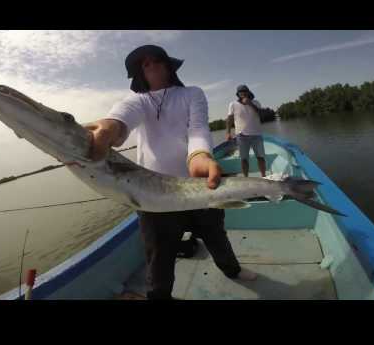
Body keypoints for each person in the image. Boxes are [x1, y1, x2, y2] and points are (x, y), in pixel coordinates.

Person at [85, 45, 257, 300]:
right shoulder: (136, 100)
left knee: (216, 235)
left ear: (168, 65)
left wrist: (200, 156)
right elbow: (120, 120)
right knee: (158, 254)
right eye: (145, 64)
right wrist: (108, 129)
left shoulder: (192, 94)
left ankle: (232, 270)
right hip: (153, 194)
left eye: (157, 60)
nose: (151, 65)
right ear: (139, 73)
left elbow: (198, 130)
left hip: (198, 184)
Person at [226, 85, 267, 177]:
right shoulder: (232, 104)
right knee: (244, 159)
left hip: (257, 135)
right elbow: (229, 119)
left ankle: (264, 176)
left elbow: (262, 115)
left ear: (248, 92)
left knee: (260, 157)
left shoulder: (256, 102)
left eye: (245, 91)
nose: (243, 93)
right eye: (241, 92)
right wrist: (228, 132)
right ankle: (246, 178)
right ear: (238, 94)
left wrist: (250, 104)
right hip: (241, 136)